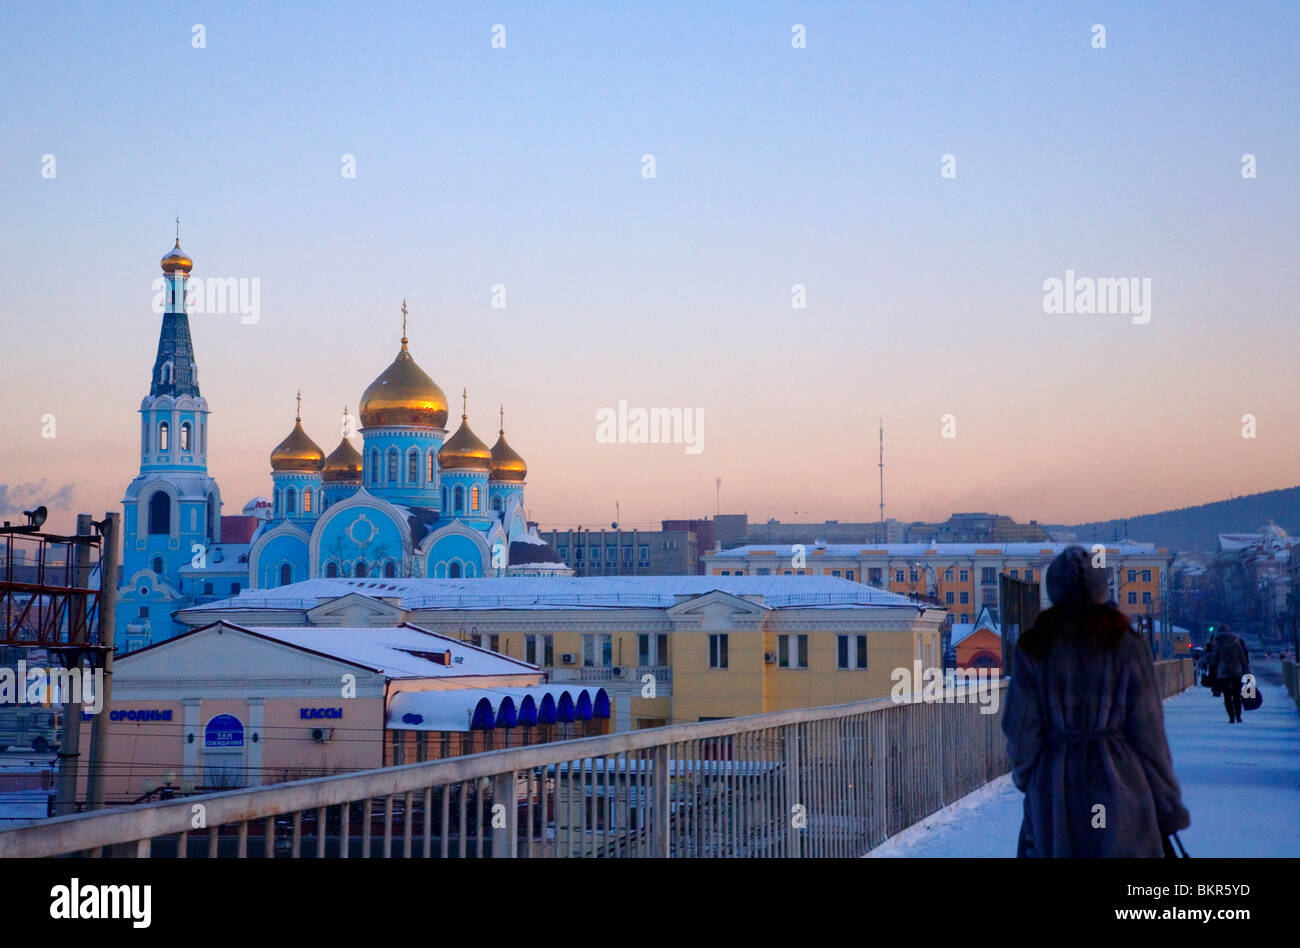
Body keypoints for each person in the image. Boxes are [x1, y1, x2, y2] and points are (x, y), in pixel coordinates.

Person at [1002, 546, 1190, 857]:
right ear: (1103, 587)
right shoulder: (1127, 643)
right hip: (1121, 786)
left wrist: (1031, 779)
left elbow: (1021, 728)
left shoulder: (1035, 645)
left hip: (1056, 789)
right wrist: (1167, 807)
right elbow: (1149, 734)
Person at [1212, 625, 1250, 723]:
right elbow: (1242, 658)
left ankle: (1231, 717)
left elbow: (1214, 658)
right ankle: (1238, 716)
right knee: (1237, 695)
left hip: (1223, 672)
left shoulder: (1217, 643)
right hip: (1236, 670)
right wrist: (1246, 670)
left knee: (1227, 695)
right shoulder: (1236, 642)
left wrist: (1208, 658)